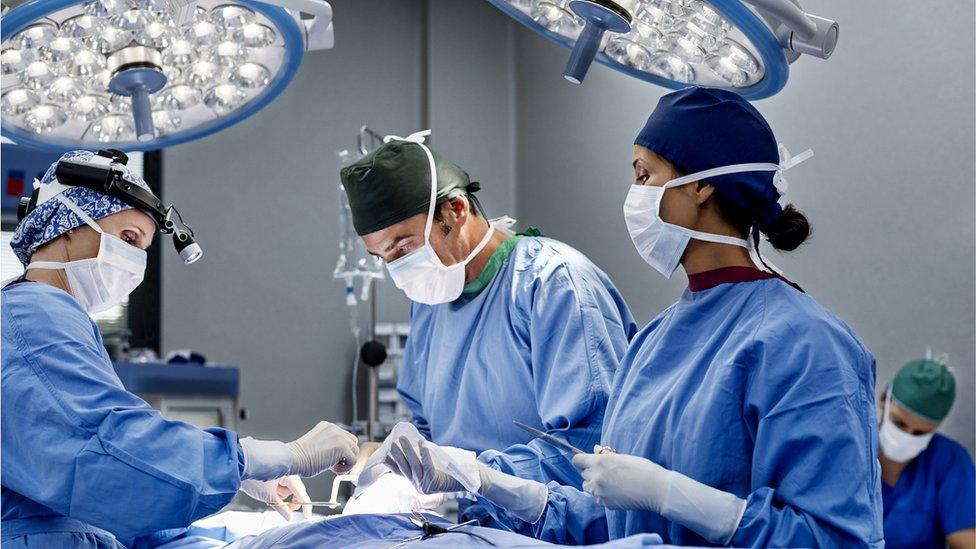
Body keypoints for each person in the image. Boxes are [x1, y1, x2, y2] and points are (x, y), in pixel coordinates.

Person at [383, 87, 884, 547]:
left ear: (702, 186)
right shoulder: (656, 340)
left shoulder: (806, 343)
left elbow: (836, 538)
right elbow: (621, 525)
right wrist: (499, 486)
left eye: (645, 175)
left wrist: (673, 494)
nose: (634, 194)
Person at [1, 150, 360, 548]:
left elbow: (102, 499)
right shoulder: (31, 316)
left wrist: (232, 487)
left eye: (142, 249)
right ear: (67, 224)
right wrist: (270, 457)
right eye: (128, 238)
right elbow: (112, 452)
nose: (134, 260)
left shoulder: (51, 320)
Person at [339, 130, 637, 522]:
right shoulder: (431, 301)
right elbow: (427, 429)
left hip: (564, 529)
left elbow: (592, 451)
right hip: (481, 527)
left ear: (456, 210)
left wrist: (469, 472)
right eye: (381, 257)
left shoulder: (553, 284)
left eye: (403, 246)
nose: (396, 269)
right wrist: (398, 468)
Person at [877, 356, 975, 549]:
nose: (906, 437)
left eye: (920, 433)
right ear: (883, 400)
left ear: (936, 427)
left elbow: (967, 542)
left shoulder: (948, 460)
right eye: (899, 423)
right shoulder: (850, 452)